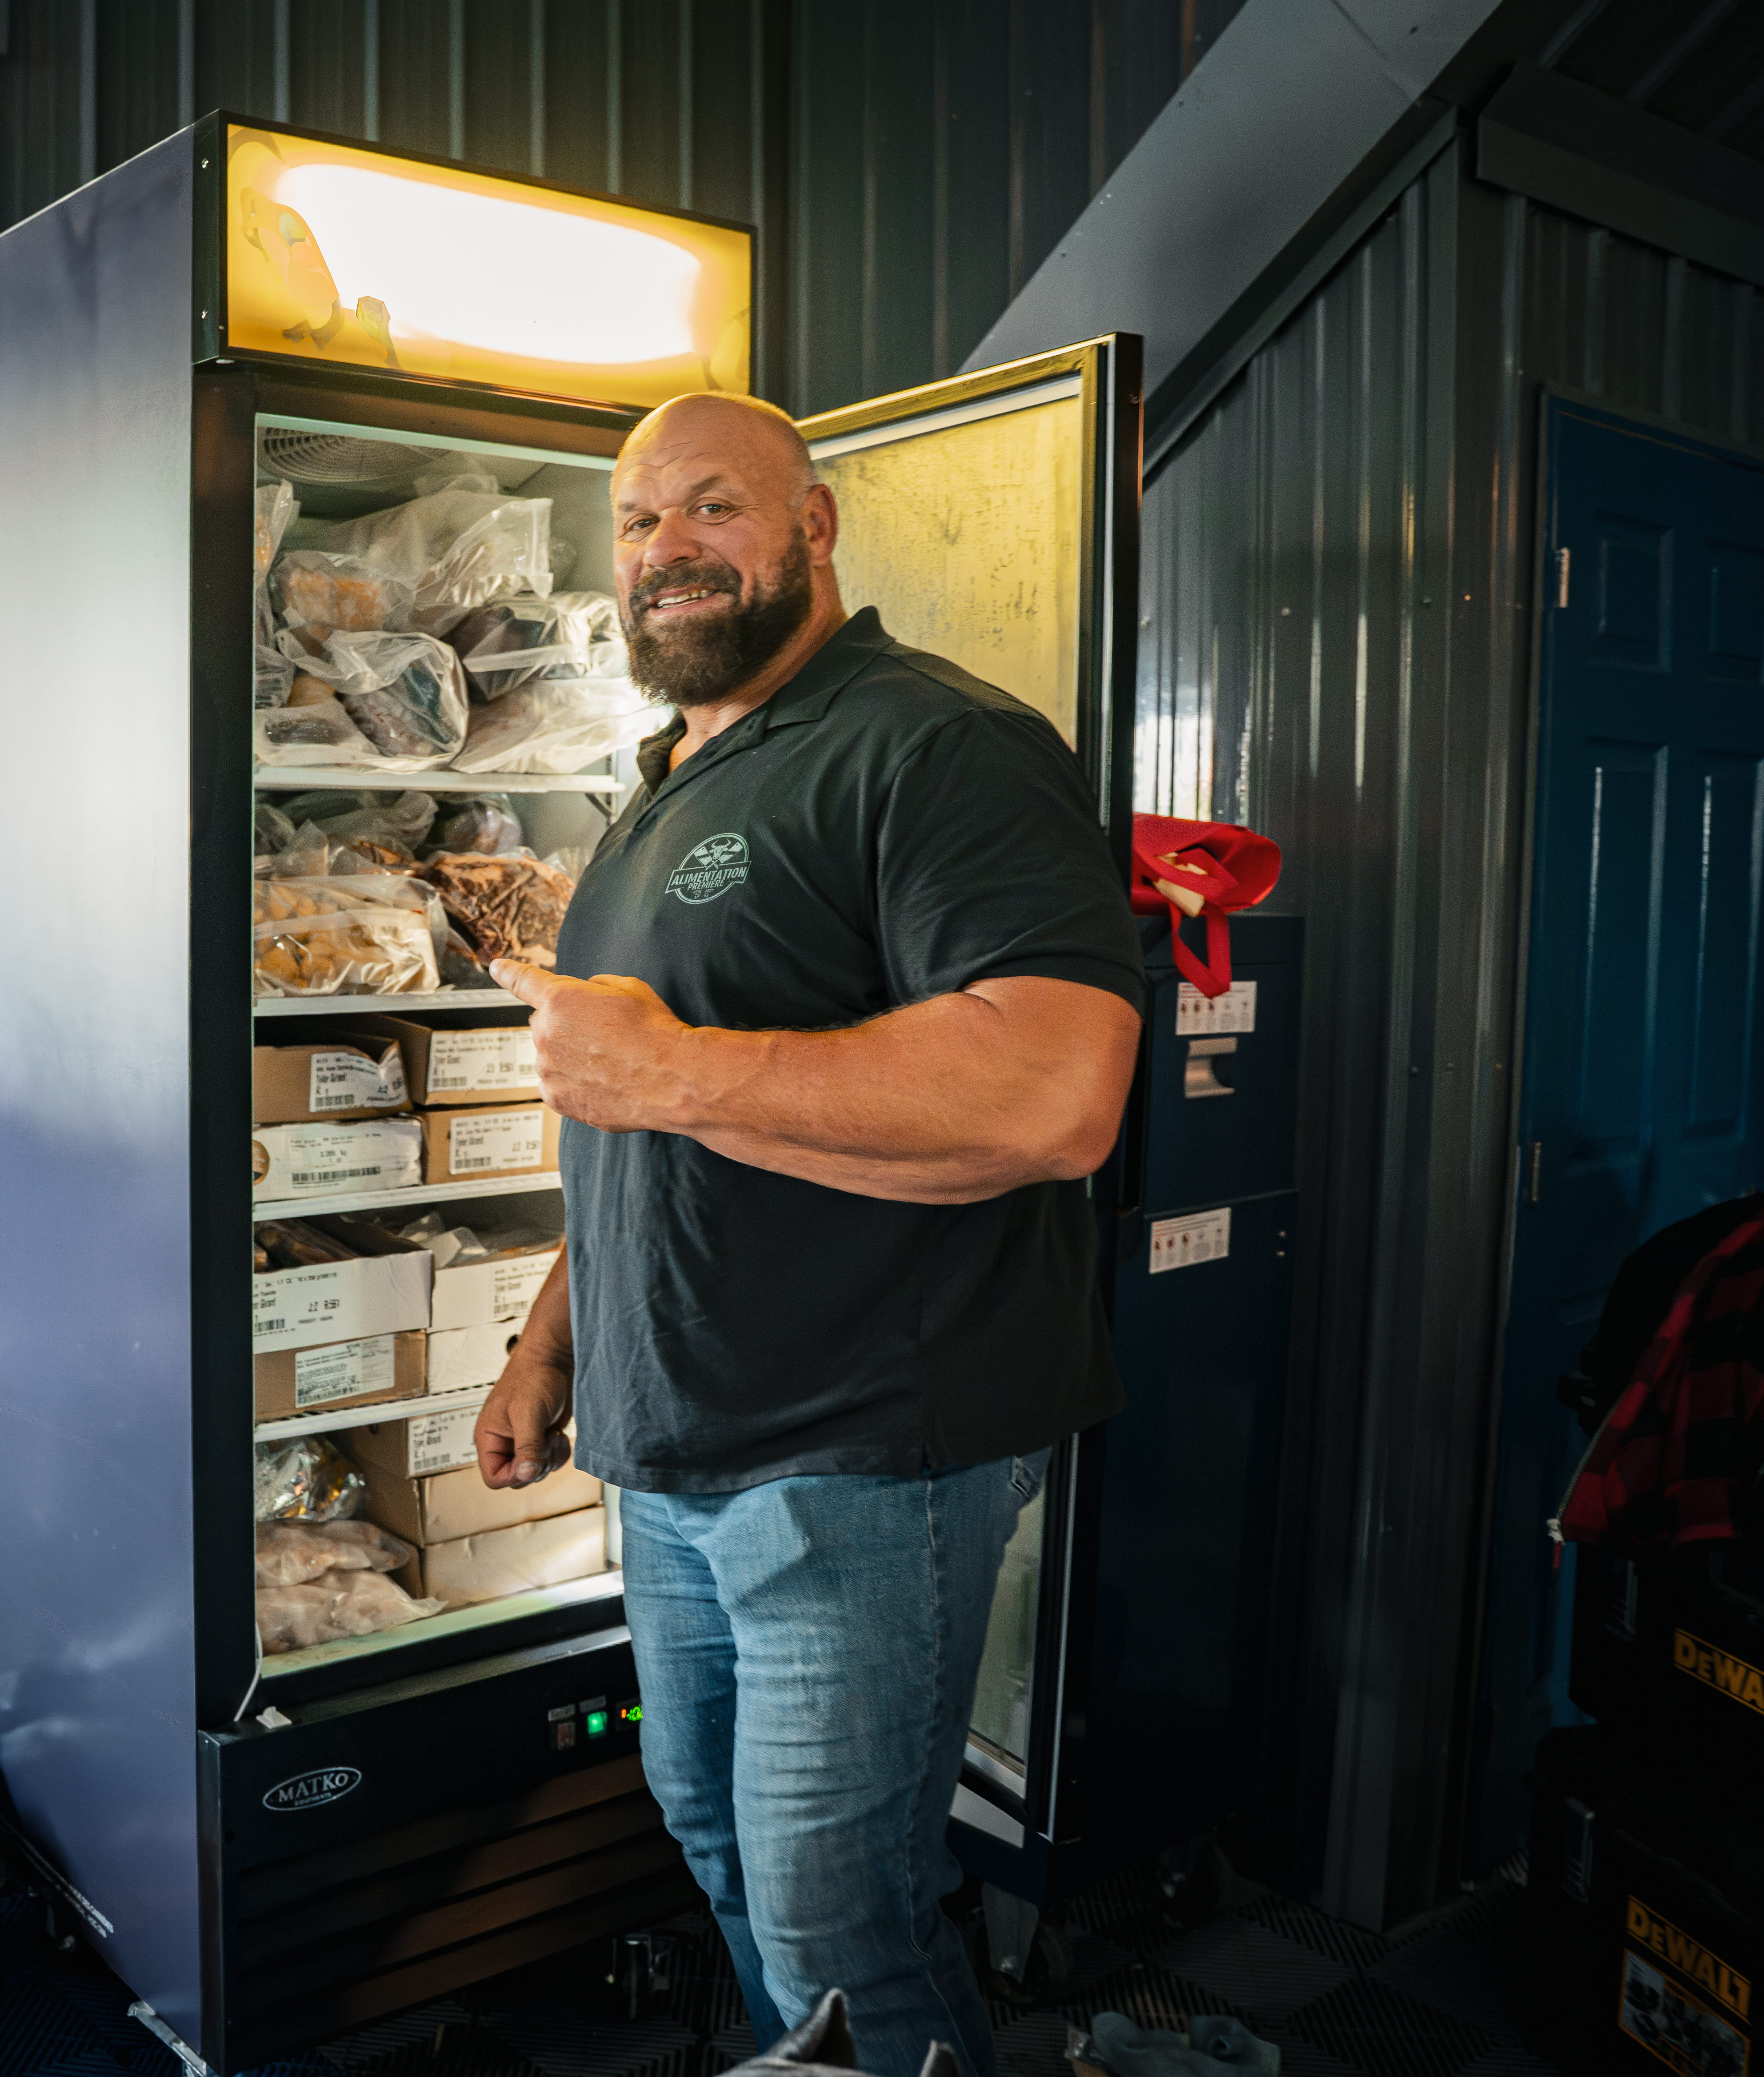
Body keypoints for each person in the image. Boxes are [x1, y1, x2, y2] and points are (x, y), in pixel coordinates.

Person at [475, 393, 1146, 2077]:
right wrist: (550, 1345)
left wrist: (670, 1066)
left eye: (712, 507)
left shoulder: (937, 745)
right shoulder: (669, 782)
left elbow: (1055, 1093)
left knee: (842, 1919)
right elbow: (632, 1114)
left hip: (858, 1459)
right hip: (675, 1446)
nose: (667, 550)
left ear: (815, 526)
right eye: (639, 523)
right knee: (718, 1844)